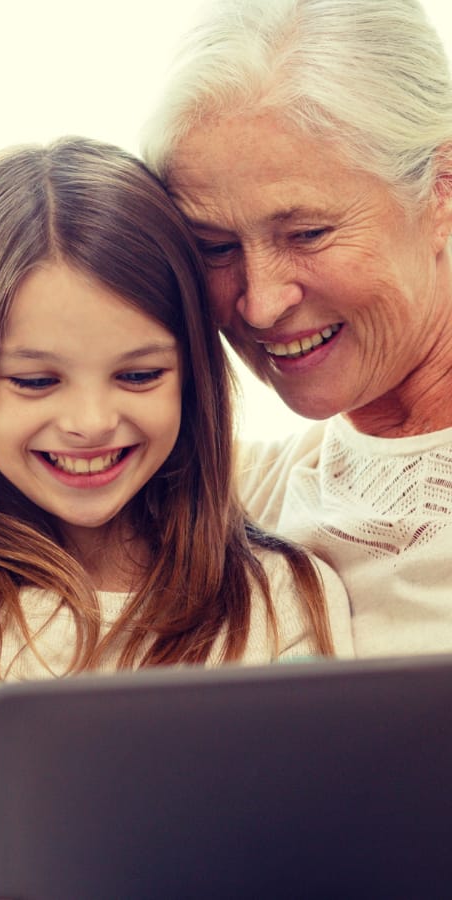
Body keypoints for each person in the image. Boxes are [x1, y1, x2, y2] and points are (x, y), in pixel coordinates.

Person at [0, 137, 352, 899]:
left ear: (192, 377)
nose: (91, 421)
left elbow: (305, 843)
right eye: (36, 381)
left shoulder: (284, 598)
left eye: (138, 374)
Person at [141, 0, 452, 658]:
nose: (260, 305)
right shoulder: (227, 507)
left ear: (442, 189)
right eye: (216, 247)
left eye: (307, 233)